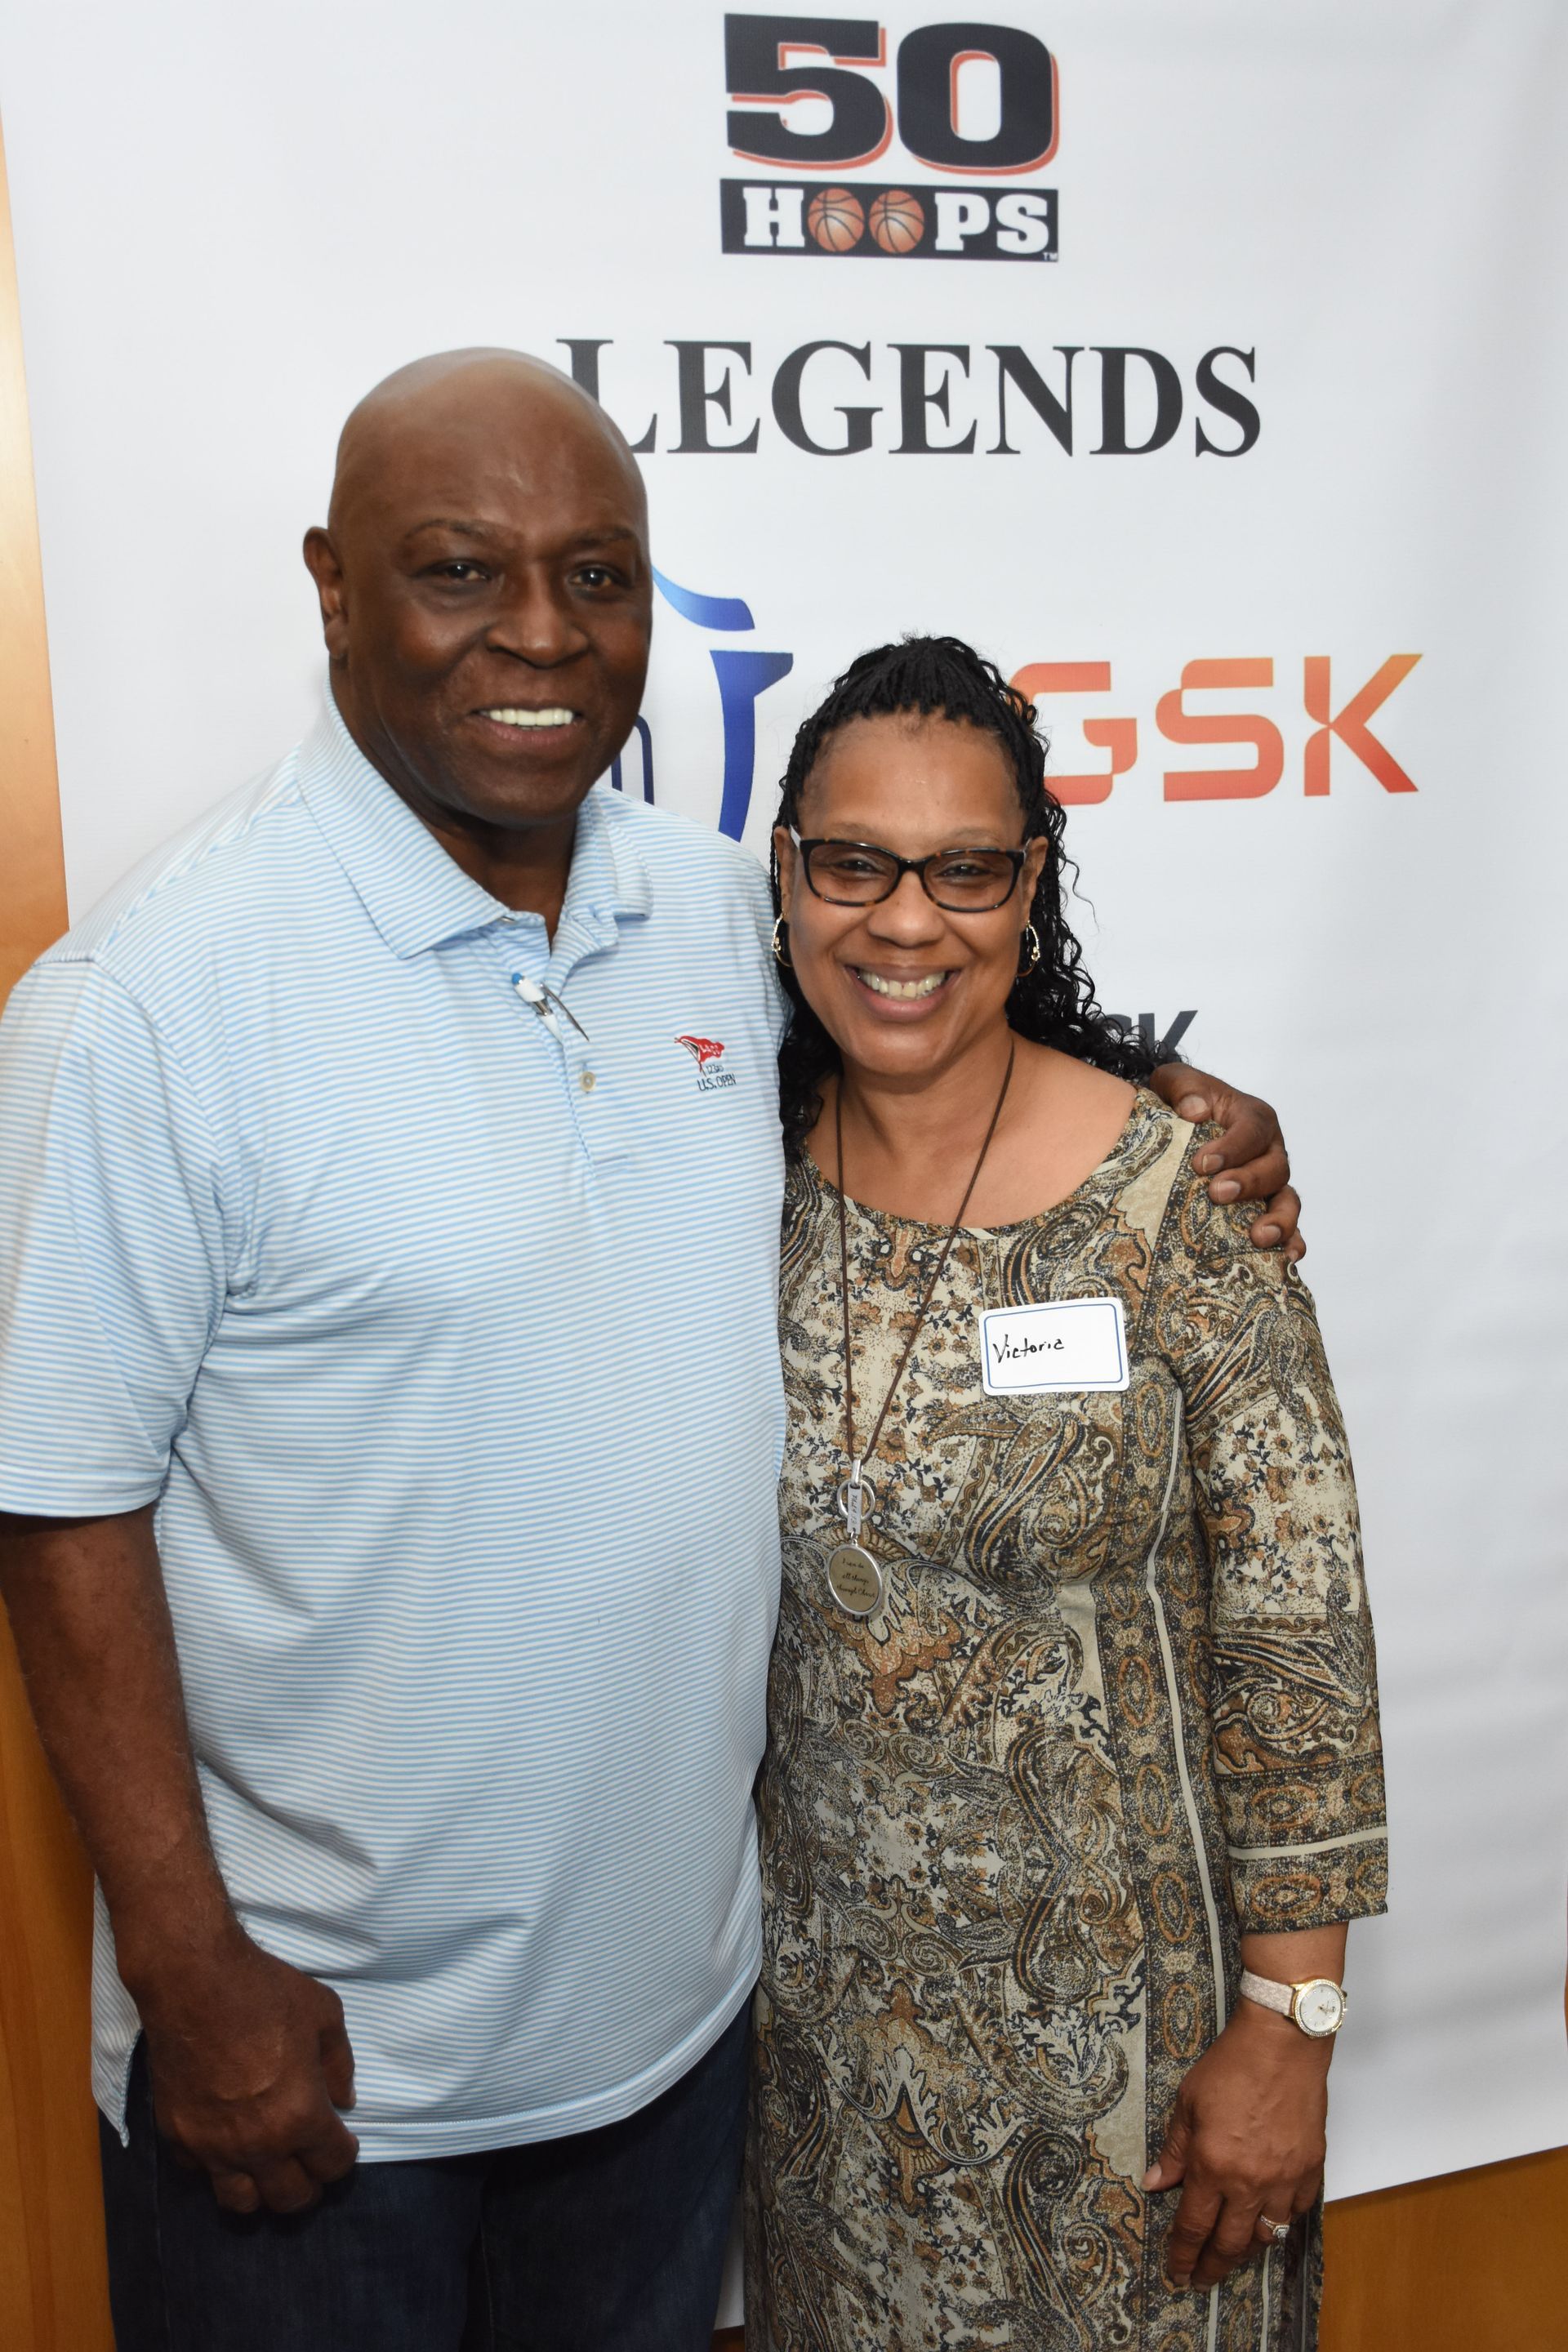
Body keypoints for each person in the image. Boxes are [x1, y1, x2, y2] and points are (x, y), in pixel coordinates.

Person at [0, 353, 1298, 2351]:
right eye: (460, 570)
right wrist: (192, 1979)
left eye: (597, 576)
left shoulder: (711, 917)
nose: (540, 635)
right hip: (330, 2072)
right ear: (333, 586)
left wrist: (1162, 1095)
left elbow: (931, 998)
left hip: (684, 2049)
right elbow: (62, 1510)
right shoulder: (147, 1007)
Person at [746, 637, 1386, 2352]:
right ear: (789, 869)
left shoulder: (1179, 1204)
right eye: (856, 862)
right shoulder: (723, 1167)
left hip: (1136, 2083)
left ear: (1030, 884)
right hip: (823, 2071)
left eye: (965, 870)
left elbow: (1298, 1638)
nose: (905, 922)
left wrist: (1293, 2022)